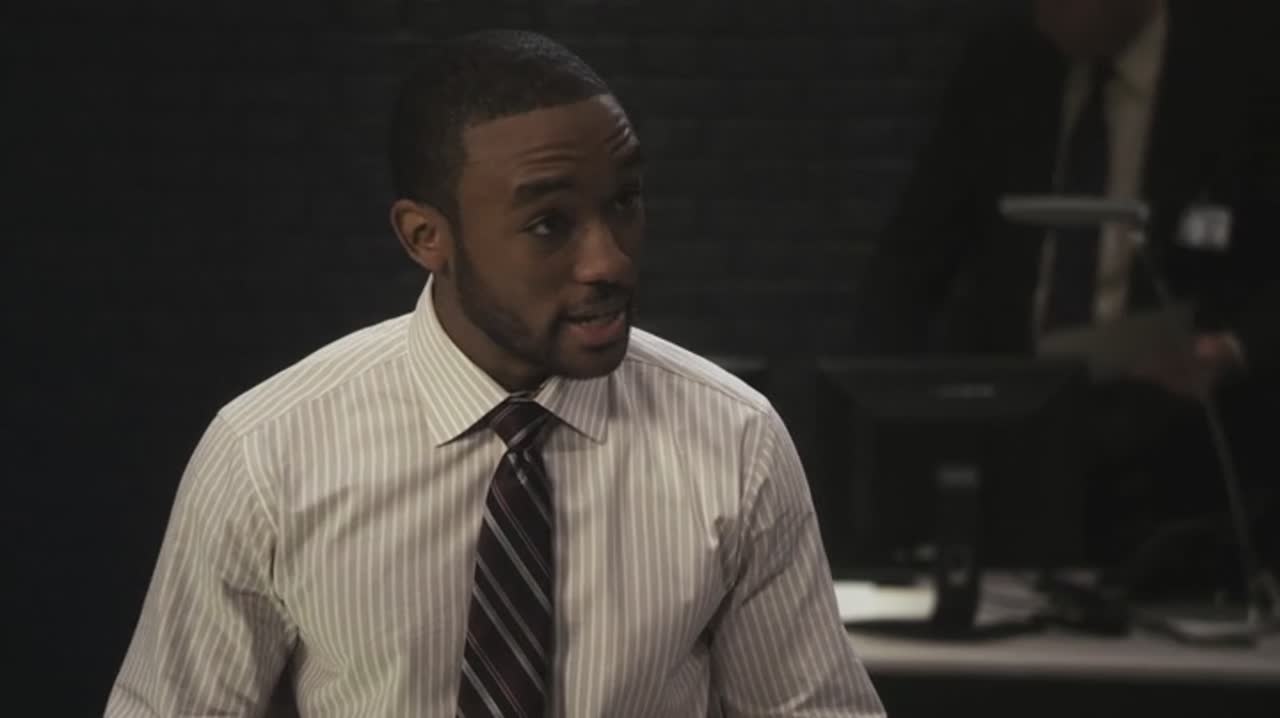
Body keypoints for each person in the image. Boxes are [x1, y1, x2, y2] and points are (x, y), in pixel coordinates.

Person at [106, 30, 884, 717]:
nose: (609, 260)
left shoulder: (737, 442)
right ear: (425, 237)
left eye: (625, 202)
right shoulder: (266, 454)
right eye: (549, 223)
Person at [850, 0, 1278, 586]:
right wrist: (892, 424)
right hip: (1019, 430)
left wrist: (1232, 348)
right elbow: (910, 260)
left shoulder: (1242, 67)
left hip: (1176, 437)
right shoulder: (1004, 63)